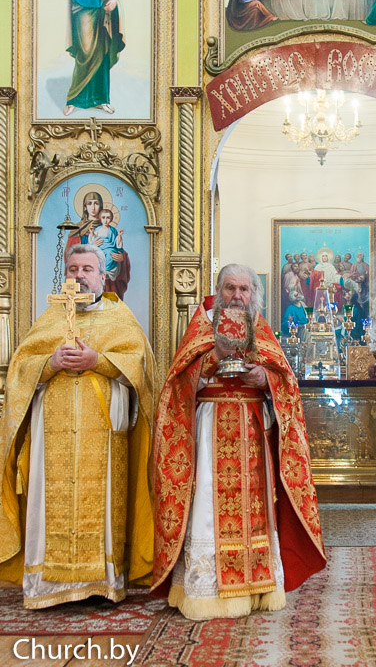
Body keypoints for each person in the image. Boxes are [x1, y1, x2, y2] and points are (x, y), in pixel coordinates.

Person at [151, 264, 326, 619]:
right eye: (230, 288)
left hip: (251, 429)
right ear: (219, 291)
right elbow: (178, 384)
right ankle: (206, 592)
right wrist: (214, 355)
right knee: (206, 502)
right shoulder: (203, 325)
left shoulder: (259, 327)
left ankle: (258, 588)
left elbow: (286, 382)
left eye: (244, 289)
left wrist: (266, 379)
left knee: (255, 510)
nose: (237, 296)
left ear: (253, 294)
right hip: (209, 428)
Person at [0, 244, 156, 608]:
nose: (79, 275)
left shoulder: (121, 318)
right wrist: (50, 362)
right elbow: (20, 372)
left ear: (103, 277)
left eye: (87, 269)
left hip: (102, 435)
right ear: (65, 274)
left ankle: (101, 584)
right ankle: (47, 587)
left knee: (103, 504)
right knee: (46, 500)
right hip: (50, 435)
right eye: (73, 269)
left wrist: (97, 360)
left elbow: (140, 369)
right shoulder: (50, 319)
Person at [63, 0, 124, 117]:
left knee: (102, 57)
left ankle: (102, 100)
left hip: (101, 19)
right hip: (83, 18)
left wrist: (113, 1)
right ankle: (74, 100)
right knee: (85, 56)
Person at [67, 190, 130, 300]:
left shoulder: (108, 227)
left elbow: (116, 247)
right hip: (85, 278)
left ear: (100, 206)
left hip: (107, 277)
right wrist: (91, 247)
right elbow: (70, 257)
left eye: (96, 203)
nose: (93, 207)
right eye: (89, 203)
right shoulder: (76, 230)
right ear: (85, 207)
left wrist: (122, 258)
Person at [89, 208, 124, 277]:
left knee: (110, 254)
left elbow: (117, 243)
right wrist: (92, 233)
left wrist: (119, 235)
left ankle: (107, 270)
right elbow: (92, 239)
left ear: (111, 219)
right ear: (100, 219)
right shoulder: (98, 229)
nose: (105, 220)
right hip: (100, 248)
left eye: (108, 218)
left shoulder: (113, 230)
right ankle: (100, 271)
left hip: (110, 247)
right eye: (103, 217)